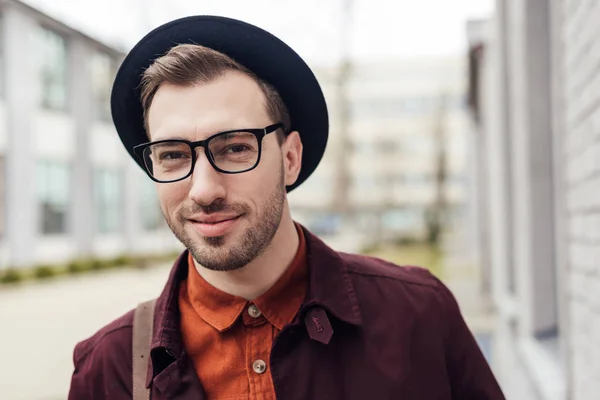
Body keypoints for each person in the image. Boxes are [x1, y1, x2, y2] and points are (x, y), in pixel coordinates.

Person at [67, 15, 505, 400]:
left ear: (290, 158)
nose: (202, 190)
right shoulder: (109, 368)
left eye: (235, 147)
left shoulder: (417, 316)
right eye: (173, 155)